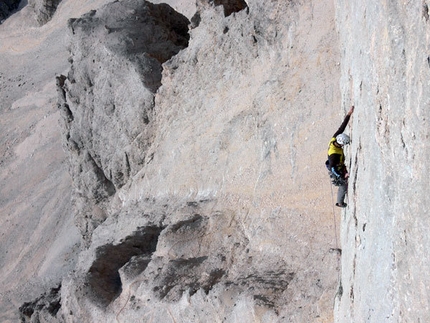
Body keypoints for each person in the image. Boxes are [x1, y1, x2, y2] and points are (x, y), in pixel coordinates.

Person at [327, 106, 354, 207]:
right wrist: (341, 176)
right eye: (344, 144)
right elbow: (332, 167)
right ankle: (340, 203)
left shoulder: (335, 138)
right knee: (342, 185)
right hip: (335, 170)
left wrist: (349, 114)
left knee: (343, 181)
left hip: (338, 166)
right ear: (341, 143)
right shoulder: (333, 154)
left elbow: (342, 127)